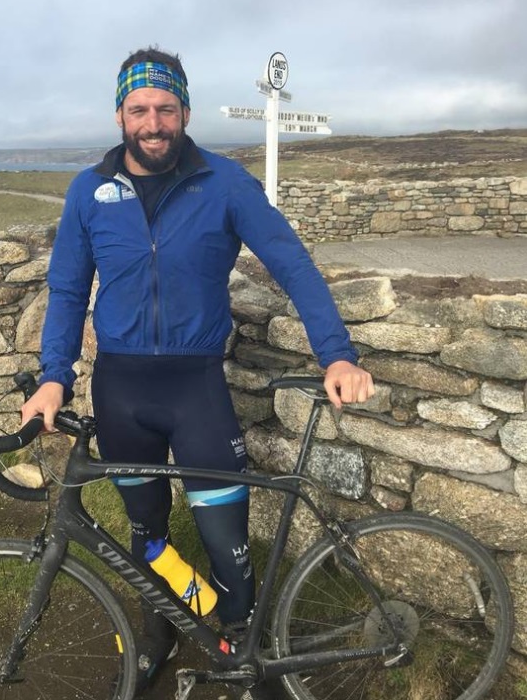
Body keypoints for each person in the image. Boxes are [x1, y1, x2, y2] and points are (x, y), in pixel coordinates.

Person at [21, 46, 375, 695]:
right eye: (138, 109)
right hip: (122, 390)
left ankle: (241, 649)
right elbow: (68, 290)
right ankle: (166, 624)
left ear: (183, 111)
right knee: (148, 533)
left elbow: (292, 264)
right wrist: (54, 375)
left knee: (225, 536)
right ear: (121, 114)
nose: (151, 121)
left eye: (164, 107)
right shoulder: (88, 192)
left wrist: (338, 354)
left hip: (197, 388)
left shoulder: (227, 183)